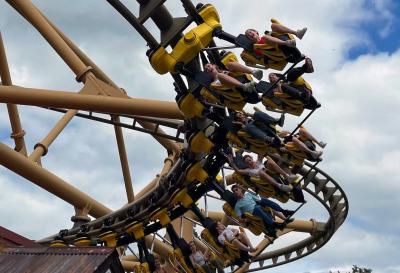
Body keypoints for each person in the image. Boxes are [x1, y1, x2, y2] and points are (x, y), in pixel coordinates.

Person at [228, 153, 297, 192]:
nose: (249, 162)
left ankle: (287, 176)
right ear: (246, 164)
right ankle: (279, 186)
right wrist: (232, 163)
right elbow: (238, 171)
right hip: (264, 180)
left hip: (271, 173)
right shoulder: (248, 170)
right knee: (261, 172)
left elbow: (260, 152)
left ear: (252, 158)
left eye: (250, 160)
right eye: (247, 162)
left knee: (269, 161)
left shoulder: (258, 161)